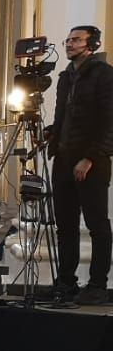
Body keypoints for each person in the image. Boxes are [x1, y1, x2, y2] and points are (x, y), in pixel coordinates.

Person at [49, 26, 113, 303]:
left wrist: (91, 157)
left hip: (92, 161)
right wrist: (51, 133)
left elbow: (110, 122)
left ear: (92, 44)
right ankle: (66, 281)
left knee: (97, 224)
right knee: (65, 225)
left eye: (76, 40)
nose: (69, 44)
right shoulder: (65, 77)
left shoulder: (104, 74)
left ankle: (97, 284)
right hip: (63, 159)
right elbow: (63, 116)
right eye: (68, 40)